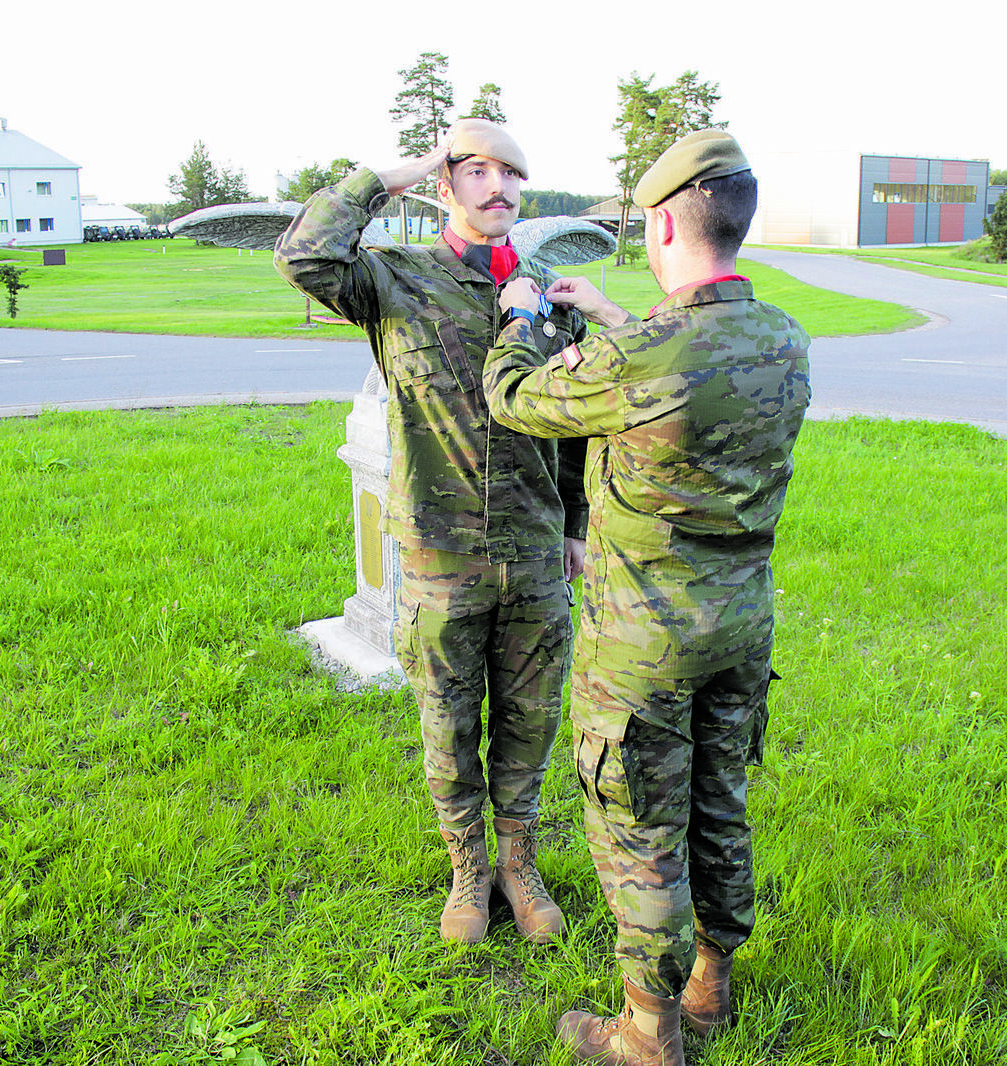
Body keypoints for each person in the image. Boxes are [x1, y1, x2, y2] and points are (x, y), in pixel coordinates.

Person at [481, 130, 812, 1064]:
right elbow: (683, 364)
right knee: (720, 800)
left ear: (664, 221)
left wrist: (521, 313)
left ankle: (647, 1034)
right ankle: (712, 985)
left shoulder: (643, 360)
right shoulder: (783, 340)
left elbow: (514, 396)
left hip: (645, 643)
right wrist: (615, 316)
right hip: (741, 625)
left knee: (640, 828)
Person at [275, 119, 589, 946]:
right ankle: (467, 868)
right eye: (476, 171)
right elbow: (303, 256)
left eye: (512, 174)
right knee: (448, 723)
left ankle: (518, 862)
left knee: (530, 719)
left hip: (531, 551)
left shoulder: (552, 295)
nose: (499, 187)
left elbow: (579, 424)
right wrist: (392, 172)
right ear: (444, 185)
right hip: (437, 551)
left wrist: (580, 525)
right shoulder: (395, 280)